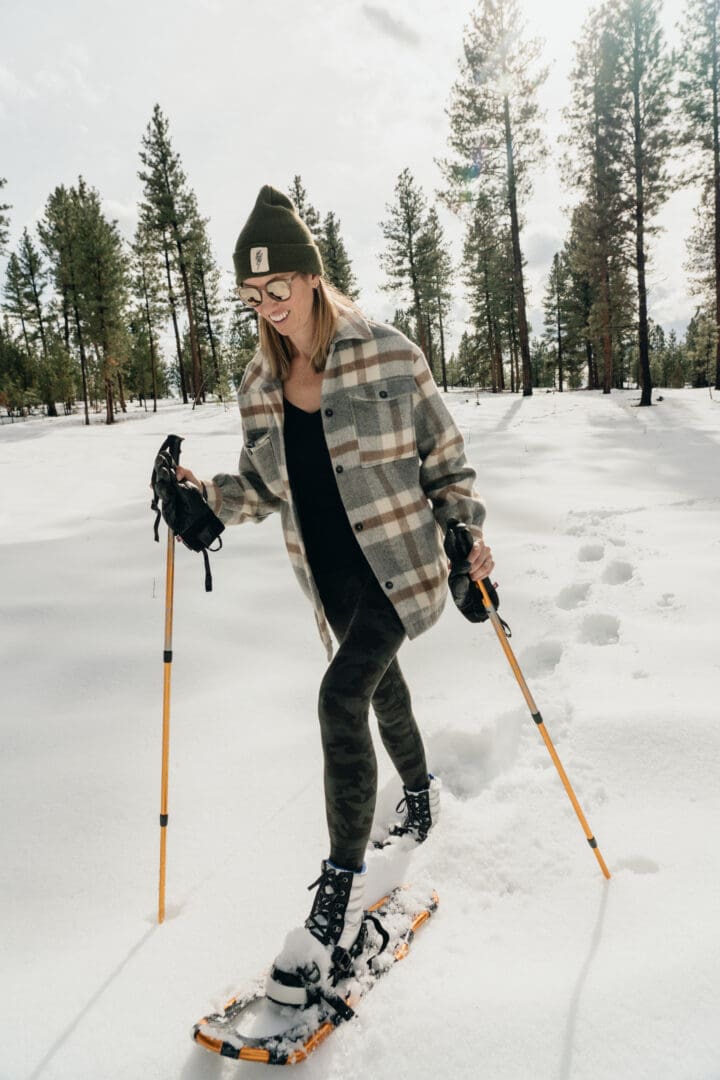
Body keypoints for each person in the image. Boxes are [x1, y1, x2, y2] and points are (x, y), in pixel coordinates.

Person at [177, 185, 493, 1001]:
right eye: (251, 297)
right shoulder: (257, 383)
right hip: (329, 579)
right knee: (380, 691)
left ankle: (339, 891)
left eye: (277, 288)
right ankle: (418, 797)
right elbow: (261, 488)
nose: (268, 307)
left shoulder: (391, 353)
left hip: (401, 568)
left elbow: (446, 462)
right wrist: (203, 501)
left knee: (338, 696)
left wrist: (464, 531)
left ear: (312, 278)